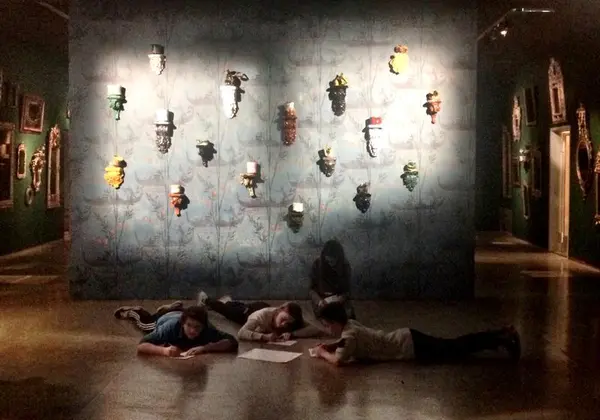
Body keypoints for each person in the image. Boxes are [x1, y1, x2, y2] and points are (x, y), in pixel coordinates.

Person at [310, 302, 521, 366]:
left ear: (335, 323)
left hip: (410, 347)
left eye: (328, 326)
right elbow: (348, 342)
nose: (327, 330)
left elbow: (338, 361)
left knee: (457, 348)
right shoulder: (351, 325)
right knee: (455, 345)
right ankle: (500, 335)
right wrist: (333, 344)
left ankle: (501, 338)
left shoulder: (348, 337)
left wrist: (322, 352)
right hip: (406, 337)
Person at [116, 304, 238, 357]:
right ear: (183, 323)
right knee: (145, 324)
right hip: (166, 319)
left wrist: (205, 348)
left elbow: (232, 341)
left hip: (181, 313)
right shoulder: (170, 328)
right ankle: (135, 311)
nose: (192, 330)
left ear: (203, 326)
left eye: (197, 327)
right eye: (189, 326)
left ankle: (168, 308)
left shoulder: (208, 329)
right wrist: (163, 351)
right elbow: (141, 345)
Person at [197, 291, 325, 342]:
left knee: (237, 305)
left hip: (263, 306)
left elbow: (316, 329)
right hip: (249, 313)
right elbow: (241, 333)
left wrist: (293, 334)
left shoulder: (291, 318)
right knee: (228, 311)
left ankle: (229, 301)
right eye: (283, 320)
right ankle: (206, 300)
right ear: (279, 310)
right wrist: (264, 337)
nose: (284, 325)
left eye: (288, 323)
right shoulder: (259, 317)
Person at [310, 239, 356, 320]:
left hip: (339, 299)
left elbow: (347, 291)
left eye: (333, 261)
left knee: (349, 315)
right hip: (322, 299)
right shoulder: (317, 264)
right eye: (328, 261)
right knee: (323, 315)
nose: (330, 263)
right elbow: (311, 289)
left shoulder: (345, 265)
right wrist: (319, 301)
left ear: (339, 258)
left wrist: (341, 298)